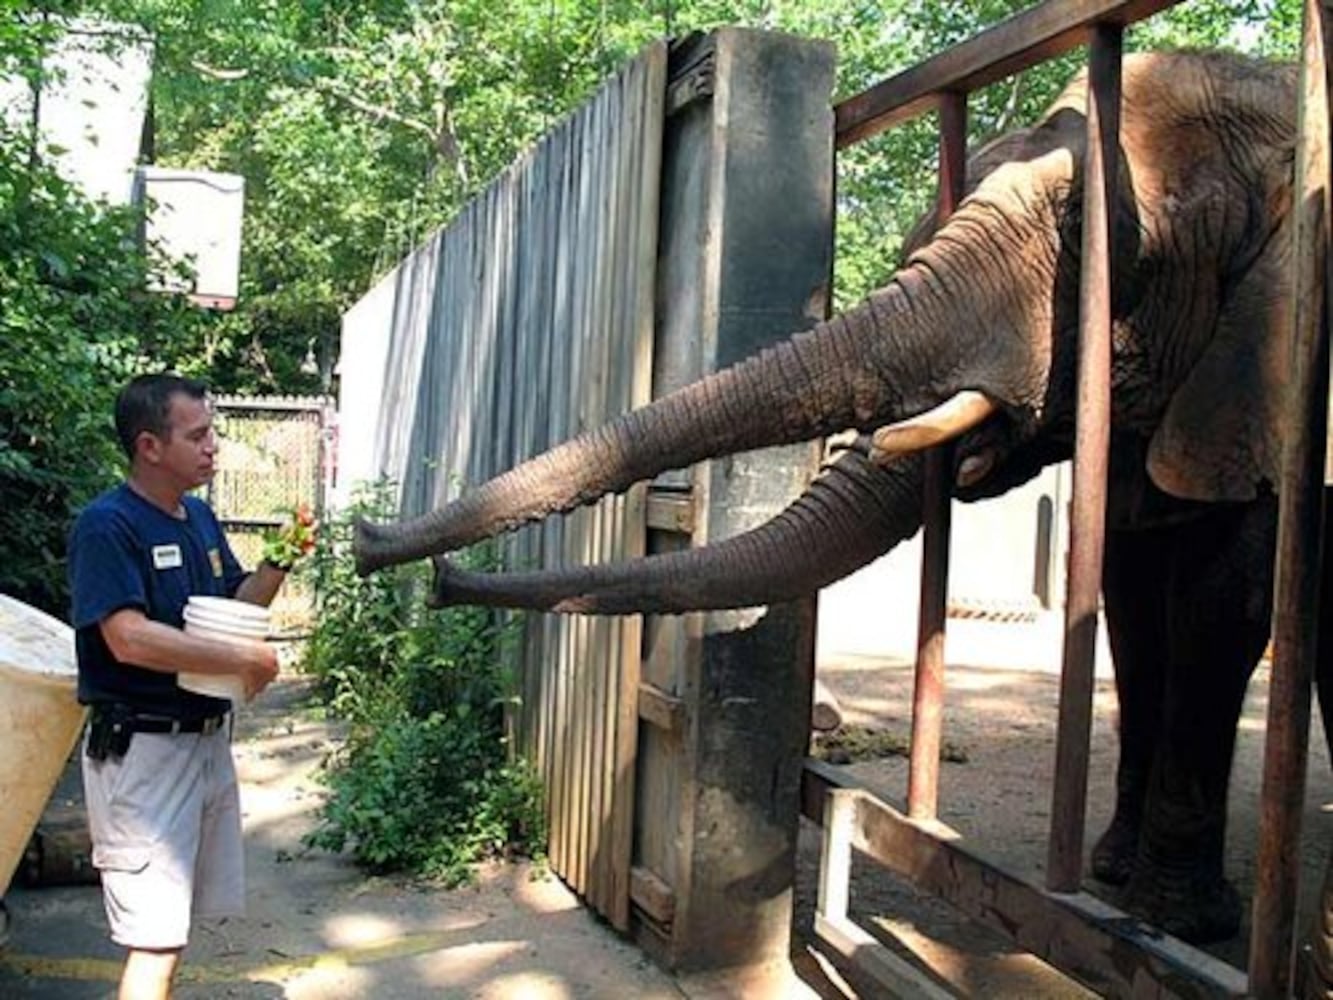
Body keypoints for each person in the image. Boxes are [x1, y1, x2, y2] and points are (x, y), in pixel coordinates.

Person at [67, 373, 304, 1000]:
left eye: (212, 433)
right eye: (197, 435)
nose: (213, 446)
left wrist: (279, 561)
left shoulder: (197, 518)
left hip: (203, 744)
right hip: (144, 754)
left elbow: (232, 604)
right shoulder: (106, 526)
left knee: (171, 931)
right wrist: (243, 659)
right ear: (149, 445)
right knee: (155, 939)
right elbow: (128, 637)